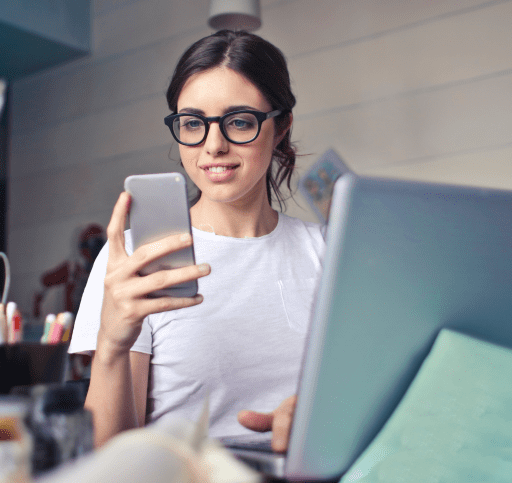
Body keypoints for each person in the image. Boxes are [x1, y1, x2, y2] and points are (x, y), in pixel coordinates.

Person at [69, 30, 326, 452]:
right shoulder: (137, 259)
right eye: (193, 123)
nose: (213, 145)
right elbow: (110, 461)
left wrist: (322, 416)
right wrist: (112, 345)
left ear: (280, 128)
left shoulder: (328, 253)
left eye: (239, 121)